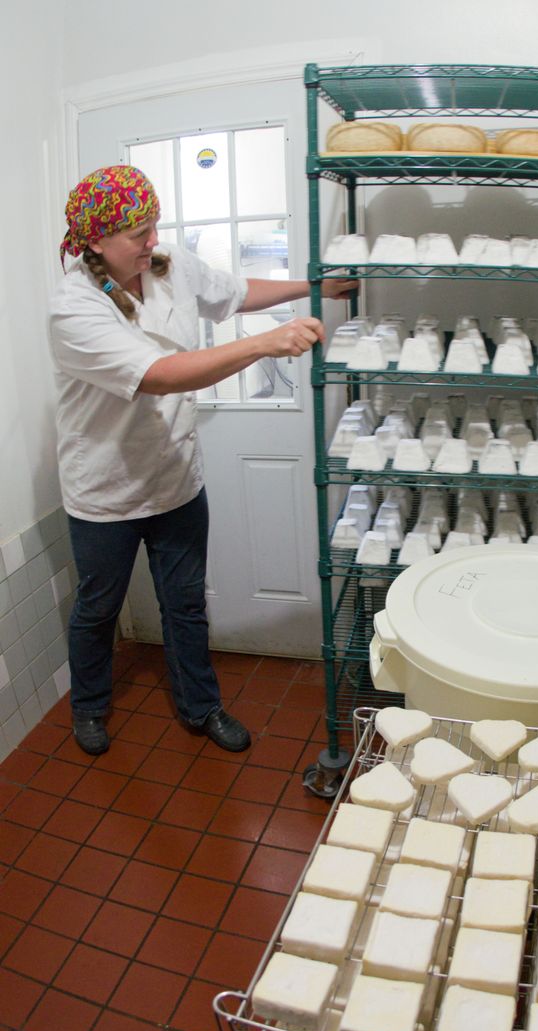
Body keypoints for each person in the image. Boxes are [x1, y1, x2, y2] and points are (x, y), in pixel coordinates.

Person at [49, 165, 356, 757]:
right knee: (98, 607)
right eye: (137, 231)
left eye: (153, 224)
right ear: (94, 241)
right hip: (105, 492)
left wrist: (314, 287)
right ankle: (88, 707)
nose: (151, 239)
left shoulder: (168, 267)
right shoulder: (74, 309)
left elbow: (236, 294)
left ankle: (201, 706)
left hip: (175, 478)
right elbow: (158, 377)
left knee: (185, 601)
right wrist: (266, 342)